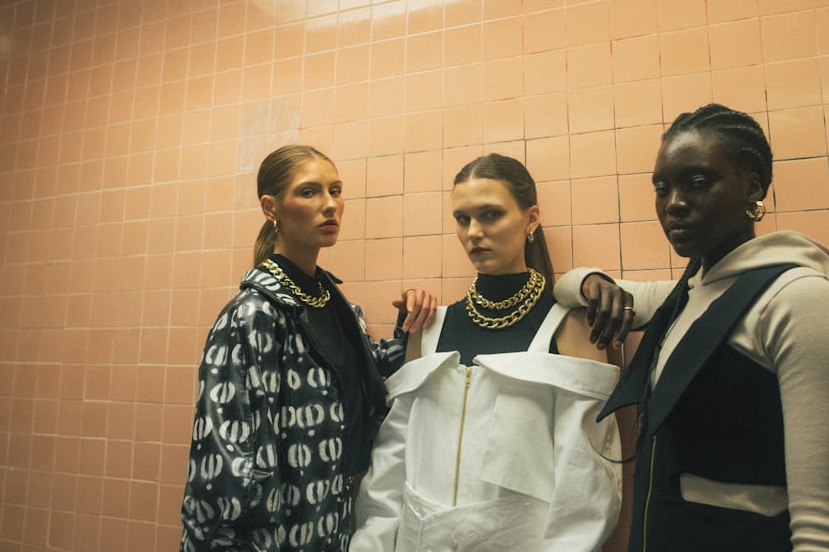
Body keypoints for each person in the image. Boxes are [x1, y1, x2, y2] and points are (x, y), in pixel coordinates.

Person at [554, 103, 829, 551]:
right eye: (662, 188)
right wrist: (593, 282)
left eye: (697, 183)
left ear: (752, 187)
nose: (674, 203)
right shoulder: (684, 295)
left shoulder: (797, 299)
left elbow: (824, 532)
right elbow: (564, 288)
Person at [350, 153, 622, 552]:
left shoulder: (570, 328)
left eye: (490, 214)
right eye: (463, 219)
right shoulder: (428, 329)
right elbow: (392, 461)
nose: (474, 232)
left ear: (531, 219)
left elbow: (587, 482)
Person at [180, 144, 436, 552]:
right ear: (271, 208)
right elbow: (223, 457)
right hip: (271, 534)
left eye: (335, 191)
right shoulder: (253, 314)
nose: (330, 205)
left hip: (332, 519)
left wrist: (411, 323)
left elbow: (369, 391)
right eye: (309, 192)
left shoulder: (337, 306)